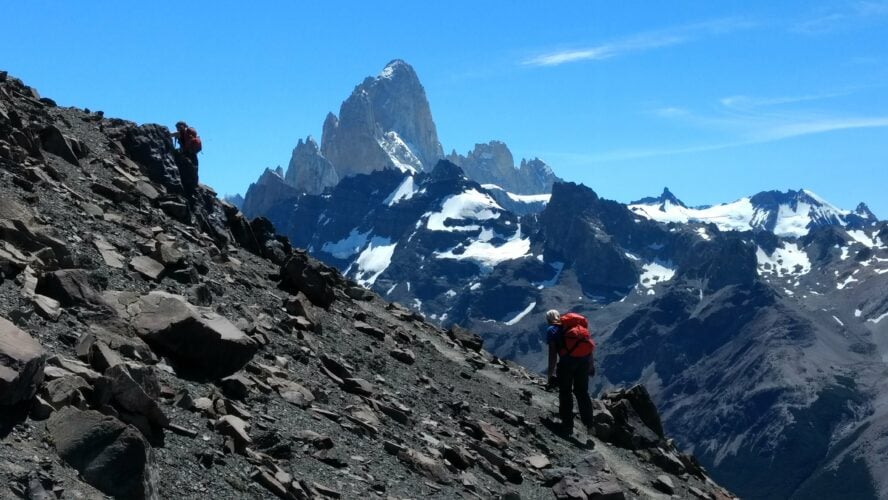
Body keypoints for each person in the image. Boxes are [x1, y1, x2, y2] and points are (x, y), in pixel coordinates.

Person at [545, 309, 595, 435]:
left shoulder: (552, 330)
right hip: (583, 363)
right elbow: (588, 347)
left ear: (548, 320)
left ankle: (567, 426)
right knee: (582, 392)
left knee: (565, 392)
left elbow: (552, 355)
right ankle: (590, 425)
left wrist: (550, 374)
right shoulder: (575, 327)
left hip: (567, 364)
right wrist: (591, 365)